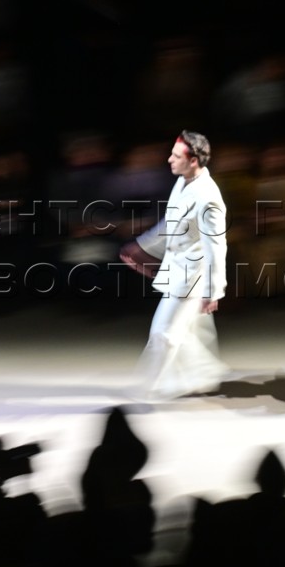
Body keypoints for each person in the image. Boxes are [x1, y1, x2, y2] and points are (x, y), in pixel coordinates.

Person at [121, 131, 229, 399]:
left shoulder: (208, 196)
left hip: (192, 277)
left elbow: (216, 246)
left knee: (165, 333)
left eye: (176, 156)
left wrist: (212, 290)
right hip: (178, 268)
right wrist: (142, 246)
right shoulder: (183, 182)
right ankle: (204, 376)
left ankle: (147, 388)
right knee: (189, 331)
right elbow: (171, 224)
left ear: (193, 160)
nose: (169, 159)